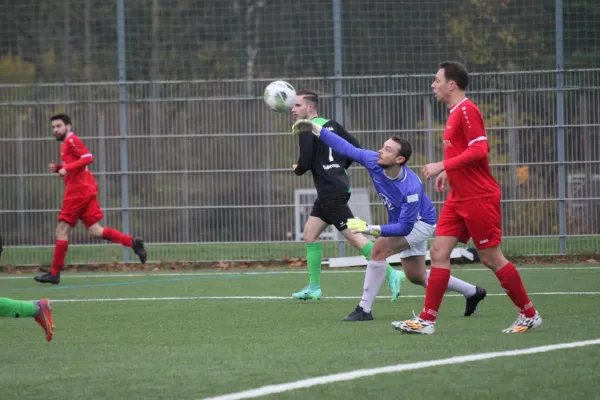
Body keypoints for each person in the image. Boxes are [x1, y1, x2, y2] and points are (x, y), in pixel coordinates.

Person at [393, 61, 542, 334]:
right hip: (458, 197)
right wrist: (449, 173)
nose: (433, 85)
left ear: (452, 84)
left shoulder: (467, 110)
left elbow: (480, 151)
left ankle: (529, 314)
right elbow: (463, 153)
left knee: (491, 258)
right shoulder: (452, 113)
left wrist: (443, 166)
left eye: (437, 80)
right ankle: (427, 321)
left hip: (478, 197)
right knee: (438, 252)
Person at [291, 119, 487, 321]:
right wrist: (316, 129)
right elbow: (346, 147)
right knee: (416, 276)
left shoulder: (410, 188)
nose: (380, 151)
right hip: (408, 224)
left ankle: (364, 309)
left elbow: (404, 227)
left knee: (378, 250)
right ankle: (473, 292)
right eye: (383, 147)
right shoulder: (373, 161)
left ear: (399, 159)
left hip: (420, 224)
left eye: (387, 150)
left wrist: (369, 228)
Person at [291, 90, 404, 302]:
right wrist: (338, 168)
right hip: (334, 188)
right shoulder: (333, 124)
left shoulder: (305, 128)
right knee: (310, 234)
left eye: (297, 105)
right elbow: (355, 149)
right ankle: (314, 287)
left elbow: (304, 162)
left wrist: (297, 168)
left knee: (355, 238)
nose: (293, 109)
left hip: (331, 192)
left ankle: (392, 273)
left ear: (310, 108)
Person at [34, 114, 147, 285]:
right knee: (95, 231)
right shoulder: (67, 143)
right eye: (53, 127)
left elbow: (88, 158)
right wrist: (59, 168)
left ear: (68, 127)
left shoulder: (72, 140)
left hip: (77, 193)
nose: (55, 130)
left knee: (61, 231)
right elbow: (78, 165)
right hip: (85, 190)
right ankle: (133, 242)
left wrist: (67, 168)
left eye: (59, 126)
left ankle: (55, 273)